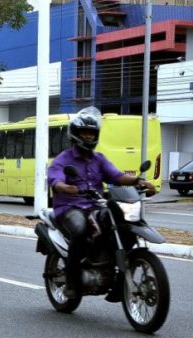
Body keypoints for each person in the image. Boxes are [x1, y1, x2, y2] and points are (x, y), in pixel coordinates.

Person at [47, 107, 155, 299]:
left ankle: (117, 278)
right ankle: (72, 281)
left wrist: (139, 181)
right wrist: (65, 187)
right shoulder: (64, 159)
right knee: (80, 229)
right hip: (70, 206)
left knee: (122, 225)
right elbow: (55, 179)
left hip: (95, 205)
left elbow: (117, 176)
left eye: (91, 133)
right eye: (84, 133)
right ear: (75, 134)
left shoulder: (99, 159)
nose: (88, 137)